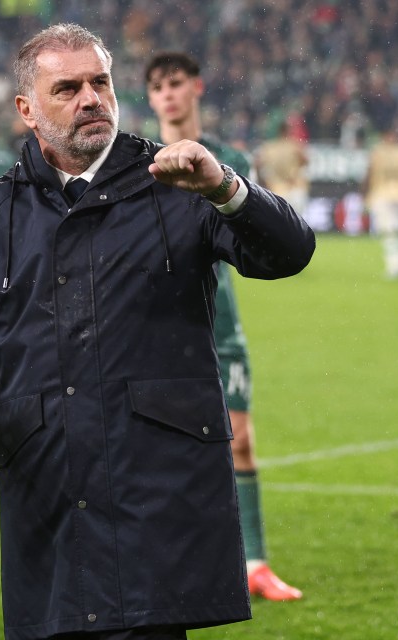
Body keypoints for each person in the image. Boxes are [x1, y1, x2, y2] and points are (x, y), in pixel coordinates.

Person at [0, 24, 315, 640]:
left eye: (100, 82)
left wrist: (227, 189)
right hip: (47, 501)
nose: (90, 98)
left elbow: (289, 253)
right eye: (67, 88)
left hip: (154, 504)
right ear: (27, 109)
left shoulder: (177, 183)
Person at [144, 50, 302, 603]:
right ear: (149, 97)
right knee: (160, 447)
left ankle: (255, 564)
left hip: (222, 322)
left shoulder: (230, 156)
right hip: (163, 324)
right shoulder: (142, 161)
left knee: (241, 444)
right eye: (158, 85)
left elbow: (256, 234)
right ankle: (170, 562)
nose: (168, 93)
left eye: (176, 82)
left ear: (196, 88)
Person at [363, 126, 398, 279]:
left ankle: (395, 267)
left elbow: (368, 174)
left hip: (384, 195)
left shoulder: (377, 152)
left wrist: (364, 192)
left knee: (389, 232)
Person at [255, 120, 310, 219]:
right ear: (289, 130)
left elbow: (257, 164)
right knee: (298, 225)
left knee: (280, 226)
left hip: (277, 191)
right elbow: (306, 161)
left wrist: (262, 182)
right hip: (295, 188)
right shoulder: (295, 146)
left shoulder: (269, 148)